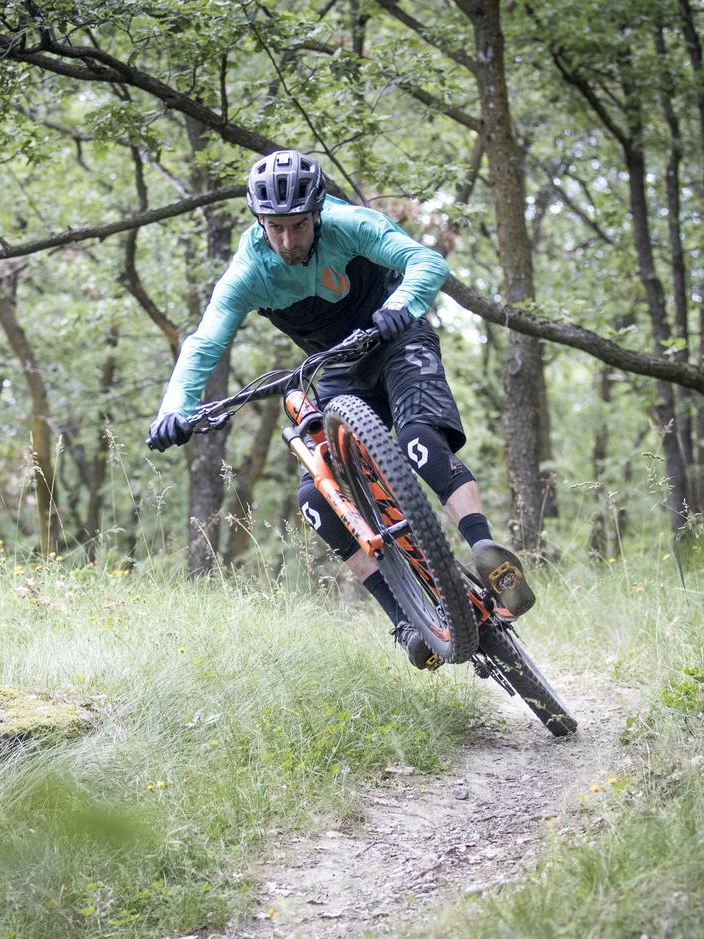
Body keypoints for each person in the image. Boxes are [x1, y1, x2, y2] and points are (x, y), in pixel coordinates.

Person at [147, 149, 533, 669]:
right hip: (339, 367)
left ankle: (486, 552)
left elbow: (427, 261)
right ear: (259, 221)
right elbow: (205, 343)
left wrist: (403, 305)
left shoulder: (349, 224)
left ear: (318, 212)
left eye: (299, 226)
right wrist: (177, 407)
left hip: (397, 336)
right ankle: (402, 616)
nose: (287, 240)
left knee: (419, 440)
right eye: (275, 228)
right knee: (315, 493)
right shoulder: (247, 273)